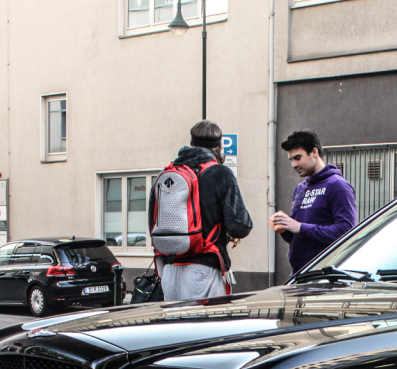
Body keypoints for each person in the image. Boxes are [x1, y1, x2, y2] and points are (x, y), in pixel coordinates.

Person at [149, 120, 252, 300]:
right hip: (204, 269)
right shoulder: (219, 173)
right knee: (207, 327)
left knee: (175, 327)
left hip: (170, 271)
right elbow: (240, 226)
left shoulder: (166, 175)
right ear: (219, 147)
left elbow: (153, 222)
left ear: (191, 144)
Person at [270, 130, 357, 276]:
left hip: (326, 277)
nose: (294, 164)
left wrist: (301, 227)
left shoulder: (337, 186)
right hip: (299, 275)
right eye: (291, 160)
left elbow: (346, 231)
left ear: (314, 152)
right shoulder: (300, 189)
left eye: (298, 158)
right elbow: (296, 235)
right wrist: (283, 227)